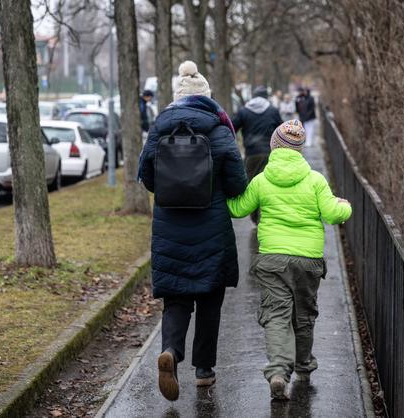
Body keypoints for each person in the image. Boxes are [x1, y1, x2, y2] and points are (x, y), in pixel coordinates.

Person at [137, 61, 247, 401]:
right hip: (211, 228)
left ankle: (170, 350)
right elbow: (237, 183)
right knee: (210, 300)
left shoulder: (159, 129)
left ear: (176, 97)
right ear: (207, 97)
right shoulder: (219, 130)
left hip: (170, 229)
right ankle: (203, 371)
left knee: (177, 299)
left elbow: (147, 175)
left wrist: (171, 193)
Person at [226, 120, 352, 400]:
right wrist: (345, 206)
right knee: (304, 315)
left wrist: (220, 196)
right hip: (308, 260)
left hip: (272, 259)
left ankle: (278, 372)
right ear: (300, 149)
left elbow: (238, 209)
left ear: (274, 146)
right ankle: (304, 365)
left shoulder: (261, 180)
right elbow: (332, 214)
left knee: (276, 316)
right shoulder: (315, 180)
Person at [231, 85, 283, 224]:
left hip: (251, 154)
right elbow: (282, 129)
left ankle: (255, 217)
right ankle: (264, 216)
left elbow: (231, 128)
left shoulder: (244, 111)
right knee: (268, 185)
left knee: (251, 186)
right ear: (266, 97)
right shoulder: (273, 111)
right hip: (269, 153)